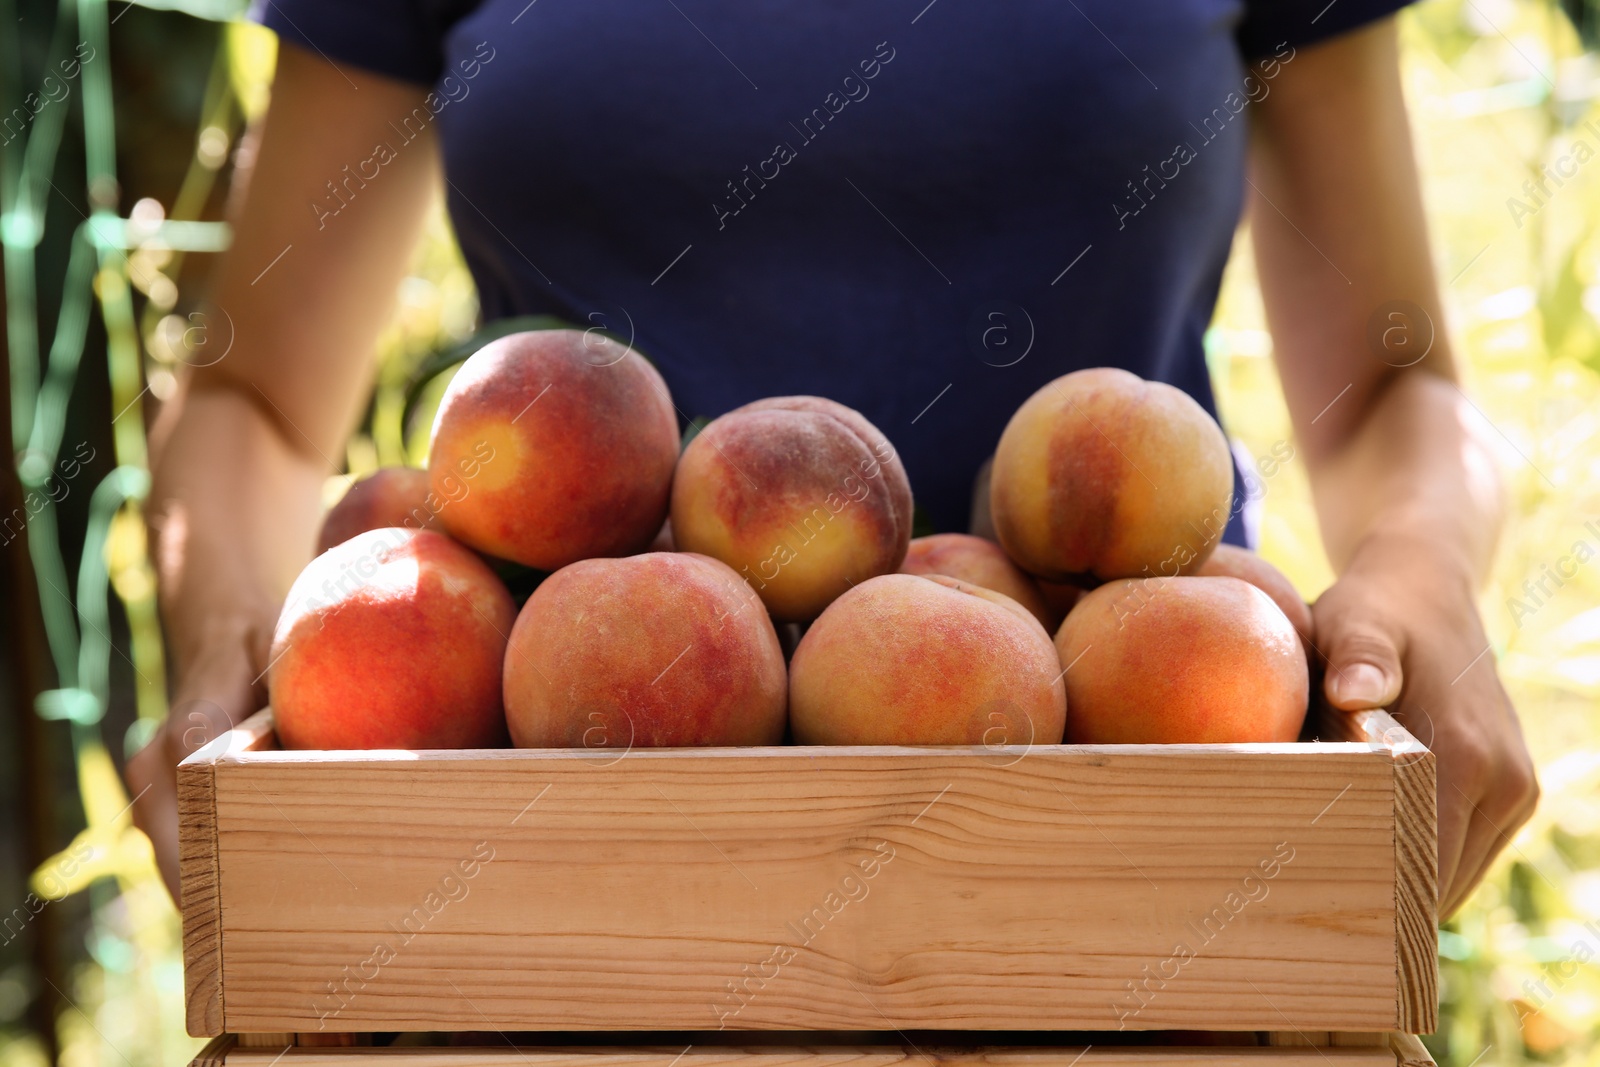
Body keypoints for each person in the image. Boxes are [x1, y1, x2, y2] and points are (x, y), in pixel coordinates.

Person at [128, 0, 1536, 917]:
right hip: (556, 864)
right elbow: (252, 396)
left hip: (1131, 833)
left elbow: (1392, 385)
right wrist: (227, 652)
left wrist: (1419, 568)